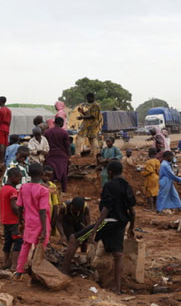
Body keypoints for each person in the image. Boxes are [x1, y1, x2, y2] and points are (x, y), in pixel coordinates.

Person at [70, 162, 136, 293]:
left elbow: (106, 209)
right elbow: (132, 211)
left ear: (110, 172)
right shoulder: (127, 186)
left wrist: (94, 230)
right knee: (118, 254)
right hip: (121, 223)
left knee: (74, 239)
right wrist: (131, 227)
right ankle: (117, 288)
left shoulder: (109, 186)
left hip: (108, 221)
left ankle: (64, 271)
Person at [15, 163, 50, 277]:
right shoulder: (43, 190)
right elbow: (42, 210)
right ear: (42, 174)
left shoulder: (23, 187)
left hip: (28, 221)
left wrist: (20, 222)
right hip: (41, 222)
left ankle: (19, 270)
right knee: (41, 246)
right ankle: (36, 271)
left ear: (28, 174)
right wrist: (44, 230)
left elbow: (20, 206)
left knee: (26, 245)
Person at [58, 197, 91, 273]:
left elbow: (88, 223)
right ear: (71, 205)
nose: (76, 211)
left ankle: (83, 258)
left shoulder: (85, 208)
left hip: (79, 222)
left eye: (78, 210)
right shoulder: (64, 207)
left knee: (84, 240)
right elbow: (59, 222)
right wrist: (62, 235)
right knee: (71, 240)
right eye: (75, 209)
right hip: (68, 223)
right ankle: (68, 261)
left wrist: (86, 235)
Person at [0, 167, 23, 270]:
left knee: (8, 241)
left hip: (5, 220)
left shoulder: (3, 189)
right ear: (13, 177)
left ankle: (5, 262)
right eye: (19, 178)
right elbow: (14, 206)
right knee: (18, 241)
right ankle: (14, 265)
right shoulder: (13, 190)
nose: (20, 180)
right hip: (13, 221)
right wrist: (21, 217)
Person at [44, 117, 71, 192]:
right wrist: (69, 156)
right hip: (62, 156)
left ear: (54, 123)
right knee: (63, 173)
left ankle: (51, 190)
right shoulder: (64, 133)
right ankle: (64, 190)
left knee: (51, 174)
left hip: (50, 155)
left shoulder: (47, 132)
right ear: (61, 123)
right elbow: (67, 146)